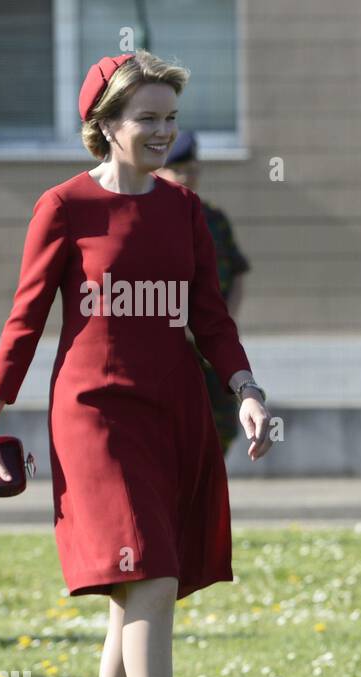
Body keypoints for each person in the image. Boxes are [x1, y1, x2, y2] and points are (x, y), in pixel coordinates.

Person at [0, 51, 275, 677]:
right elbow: (25, 325)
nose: (164, 132)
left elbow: (211, 317)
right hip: (94, 417)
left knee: (142, 596)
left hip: (175, 416)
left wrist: (247, 392)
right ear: (103, 126)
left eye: (171, 118)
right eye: (149, 118)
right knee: (150, 577)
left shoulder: (183, 212)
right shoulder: (63, 206)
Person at [156, 130, 251, 456]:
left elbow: (237, 272)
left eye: (193, 167)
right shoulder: (152, 218)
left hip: (210, 347)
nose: (189, 175)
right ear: (160, 171)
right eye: (180, 168)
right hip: (171, 348)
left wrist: (223, 321)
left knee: (218, 428)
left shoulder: (213, 218)